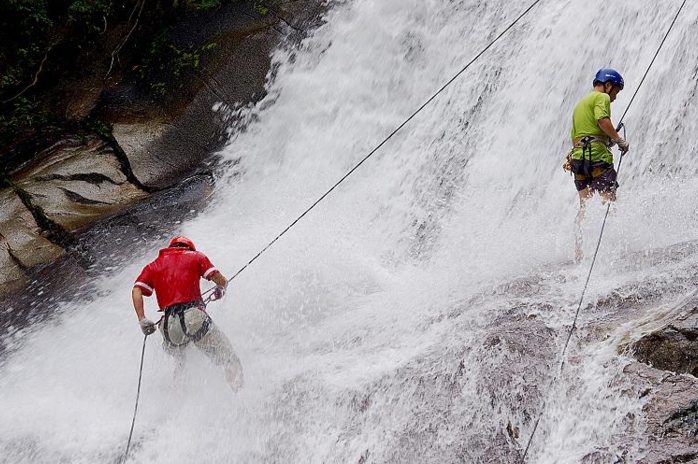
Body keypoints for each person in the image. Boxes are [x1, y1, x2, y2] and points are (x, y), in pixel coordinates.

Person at [131, 236, 244, 390]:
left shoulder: (154, 265)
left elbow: (137, 289)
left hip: (168, 328)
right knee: (229, 359)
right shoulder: (196, 257)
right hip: (193, 318)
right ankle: (240, 395)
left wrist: (142, 319)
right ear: (189, 248)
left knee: (182, 362)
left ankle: (179, 396)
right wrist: (220, 289)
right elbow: (220, 280)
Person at [567, 68, 630, 262]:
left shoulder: (579, 104)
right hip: (597, 157)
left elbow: (581, 135)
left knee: (584, 205)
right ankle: (609, 253)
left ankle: (579, 252)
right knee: (608, 201)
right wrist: (618, 140)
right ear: (608, 85)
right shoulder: (601, 98)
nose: (614, 98)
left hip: (578, 159)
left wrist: (604, 140)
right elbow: (602, 121)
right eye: (616, 92)